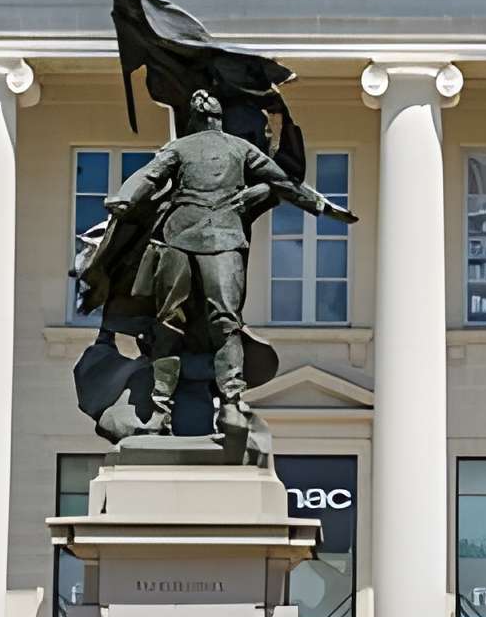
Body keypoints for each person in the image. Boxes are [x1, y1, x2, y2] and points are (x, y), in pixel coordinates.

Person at [97, 84, 353, 436]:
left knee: (170, 325)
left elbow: (149, 176)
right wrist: (322, 206)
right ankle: (229, 403)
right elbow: (284, 182)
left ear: (195, 119)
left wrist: (125, 199)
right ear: (220, 119)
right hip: (217, 238)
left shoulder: (184, 147)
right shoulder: (238, 147)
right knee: (224, 321)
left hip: (184, 238)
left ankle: (165, 409)